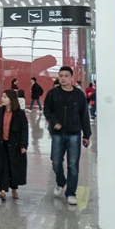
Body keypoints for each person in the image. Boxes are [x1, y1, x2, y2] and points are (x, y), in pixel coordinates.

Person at [43, 66, 91, 206]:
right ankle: (61, 181)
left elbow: (84, 115)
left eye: (66, 76)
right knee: (56, 162)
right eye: (61, 76)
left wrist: (86, 134)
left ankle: (71, 193)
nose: (63, 78)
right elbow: (47, 111)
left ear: (71, 78)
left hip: (74, 134)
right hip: (58, 134)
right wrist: (54, 122)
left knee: (73, 165)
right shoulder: (53, 93)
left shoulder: (78, 94)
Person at [0, 89, 28, 202]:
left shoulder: (19, 114)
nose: (2, 99)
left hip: (15, 145)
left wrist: (23, 145)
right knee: (3, 166)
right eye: (3, 96)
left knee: (13, 167)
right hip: (2, 144)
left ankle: (14, 188)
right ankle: (2, 190)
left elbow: (24, 130)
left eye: (5, 97)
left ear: (11, 99)